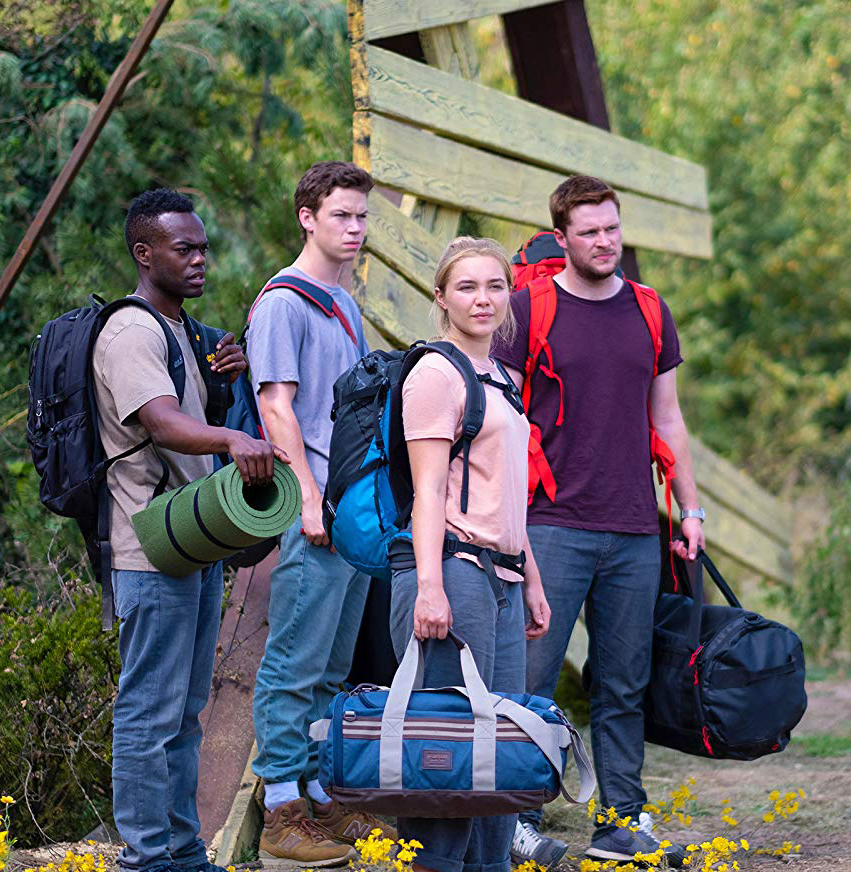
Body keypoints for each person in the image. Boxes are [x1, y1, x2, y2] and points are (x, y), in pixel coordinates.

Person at [493, 175, 706, 867]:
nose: (605, 242)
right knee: (531, 681)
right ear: (562, 236)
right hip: (550, 522)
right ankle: (513, 822)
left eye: (612, 229)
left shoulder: (650, 310)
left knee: (623, 682)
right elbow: (499, 419)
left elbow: (667, 417)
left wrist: (690, 508)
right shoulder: (529, 309)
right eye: (589, 231)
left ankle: (622, 822)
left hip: (636, 526)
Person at [94, 188, 287, 872]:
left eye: (203, 247)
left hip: (194, 545)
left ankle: (180, 850)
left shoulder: (182, 331)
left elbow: (191, 431)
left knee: (185, 711)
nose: (200, 259)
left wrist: (226, 384)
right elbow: (163, 423)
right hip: (147, 548)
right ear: (145, 254)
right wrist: (236, 437)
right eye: (185, 248)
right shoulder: (132, 331)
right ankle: (148, 856)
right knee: (150, 710)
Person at [390, 237, 553, 872]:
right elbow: (428, 488)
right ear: (441, 298)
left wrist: (531, 579)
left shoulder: (503, 380)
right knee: (449, 749)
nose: (483, 299)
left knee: (501, 749)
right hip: (455, 571)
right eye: (466, 287)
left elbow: (510, 493)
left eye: (493, 286)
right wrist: (429, 586)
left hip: (505, 577)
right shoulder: (436, 373)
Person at [248, 161, 394, 864]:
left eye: (363, 217)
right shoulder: (283, 302)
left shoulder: (345, 304)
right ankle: (280, 812)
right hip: (313, 509)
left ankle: (318, 794)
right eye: (342, 216)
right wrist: (307, 496)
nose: (356, 229)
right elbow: (277, 406)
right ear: (308, 216)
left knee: (334, 667)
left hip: (351, 514)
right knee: (294, 664)